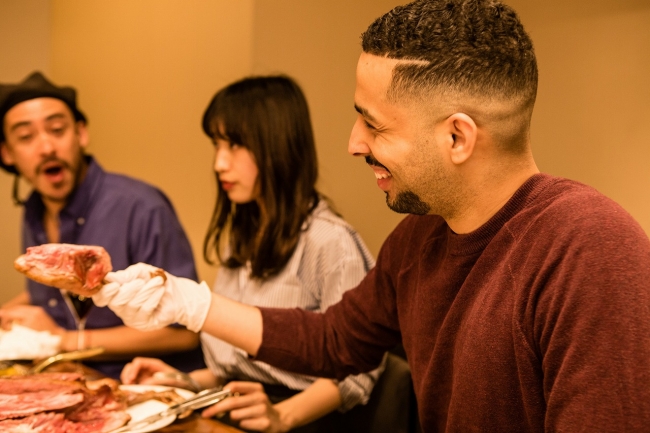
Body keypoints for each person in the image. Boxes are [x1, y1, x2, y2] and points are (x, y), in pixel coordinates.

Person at [92, 0, 650, 431]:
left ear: (457, 137)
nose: (354, 143)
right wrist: (186, 302)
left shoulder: (589, 250)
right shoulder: (417, 238)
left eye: (374, 124)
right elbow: (333, 341)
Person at [115, 75, 382, 432]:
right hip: (237, 412)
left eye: (234, 145)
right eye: (216, 145)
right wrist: (182, 381)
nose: (219, 164)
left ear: (277, 146)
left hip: (305, 421)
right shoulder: (242, 236)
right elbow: (237, 369)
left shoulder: (329, 241)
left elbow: (359, 370)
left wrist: (283, 416)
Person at [0, 71, 205, 379]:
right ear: (7, 153)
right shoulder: (34, 210)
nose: (46, 147)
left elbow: (185, 332)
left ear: (81, 134)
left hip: (145, 385)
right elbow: (55, 292)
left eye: (57, 130)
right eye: (26, 137)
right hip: (71, 377)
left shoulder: (141, 207)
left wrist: (64, 340)